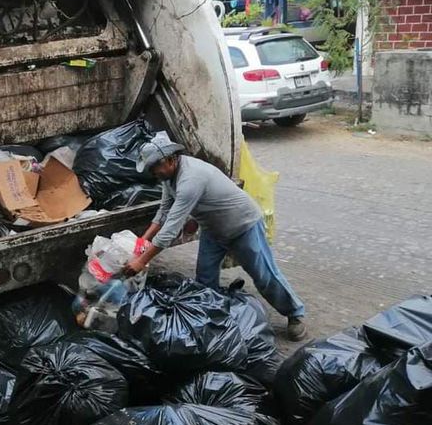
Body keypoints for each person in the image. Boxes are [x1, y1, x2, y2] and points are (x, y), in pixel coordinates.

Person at [122, 132, 308, 341]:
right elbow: (164, 211)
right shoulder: (167, 177)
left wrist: (142, 260)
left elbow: (170, 230)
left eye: (155, 167)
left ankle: (295, 314)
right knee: (205, 277)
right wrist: (143, 241)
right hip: (213, 228)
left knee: (264, 275)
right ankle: (213, 320)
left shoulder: (191, 178)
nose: (153, 172)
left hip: (242, 224)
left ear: (170, 159)